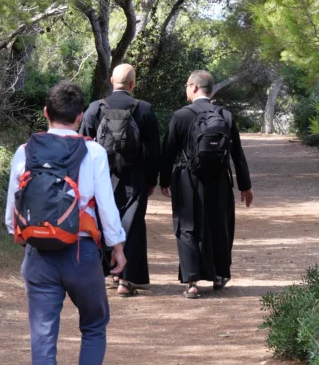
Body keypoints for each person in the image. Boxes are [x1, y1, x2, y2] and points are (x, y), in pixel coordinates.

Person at [6, 81, 126, 365]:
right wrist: (117, 246)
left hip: (38, 255)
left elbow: (11, 213)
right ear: (79, 118)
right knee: (94, 323)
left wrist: (27, 238)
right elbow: (105, 204)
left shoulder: (24, 151)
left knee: (42, 336)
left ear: (45, 114)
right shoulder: (93, 153)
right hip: (81, 252)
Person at [159, 69, 253, 298]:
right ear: (210, 90)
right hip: (220, 179)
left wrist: (164, 180)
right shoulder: (225, 115)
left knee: (187, 227)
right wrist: (245, 186)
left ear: (193, 87)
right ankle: (220, 276)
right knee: (219, 224)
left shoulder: (181, 116)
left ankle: (191, 281)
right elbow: (237, 154)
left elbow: (168, 151)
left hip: (187, 179)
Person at [80, 63, 160, 296]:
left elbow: (82, 144)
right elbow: (154, 149)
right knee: (132, 225)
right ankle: (126, 281)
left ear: (111, 81)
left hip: (102, 176)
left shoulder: (95, 108)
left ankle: (108, 272)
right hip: (136, 176)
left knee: (103, 223)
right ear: (133, 84)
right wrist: (152, 180)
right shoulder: (144, 109)